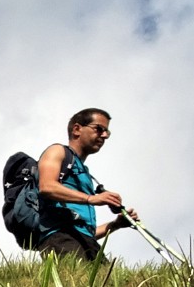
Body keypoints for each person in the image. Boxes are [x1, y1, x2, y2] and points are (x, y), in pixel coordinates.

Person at [34, 108, 139, 260]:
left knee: (107, 283)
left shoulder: (86, 174)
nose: (104, 136)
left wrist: (115, 225)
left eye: (107, 133)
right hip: (59, 237)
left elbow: (85, 232)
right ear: (77, 129)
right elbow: (47, 186)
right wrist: (91, 199)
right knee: (75, 283)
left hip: (86, 242)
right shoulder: (57, 151)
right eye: (99, 129)